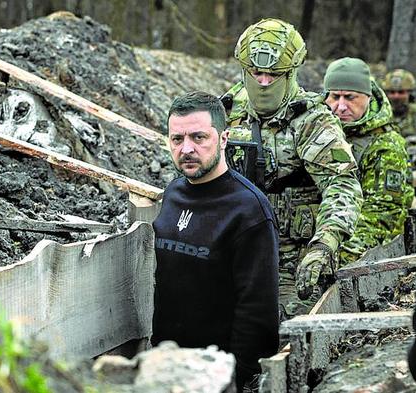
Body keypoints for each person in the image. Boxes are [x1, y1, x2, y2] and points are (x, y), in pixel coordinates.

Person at [223, 18, 363, 309]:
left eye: (272, 75)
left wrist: (324, 244)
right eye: (256, 73)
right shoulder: (227, 112)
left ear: (289, 74)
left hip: (293, 262)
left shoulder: (312, 121)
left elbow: (342, 185)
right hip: (234, 253)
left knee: (288, 333)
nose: (263, 82)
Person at [152, 91, 279, 392]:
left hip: (219, 377)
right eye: (177, 139)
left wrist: (237, 378)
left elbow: (258, 309)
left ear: (224, 139)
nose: (187, 149)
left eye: (199, 137)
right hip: (167, 368)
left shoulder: (248, 210)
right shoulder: (172, 194)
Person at [323, 58, 414, 264]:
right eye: (335, 97)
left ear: (368, 97)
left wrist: (338, 257)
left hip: (364, 251)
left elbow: (383, 214)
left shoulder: (386, 144)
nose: (341, 106)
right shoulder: (317, 133)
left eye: (350, 97)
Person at [382, 69, 416, 139]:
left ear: (410, 93)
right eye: (392, 92)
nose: (396, 96)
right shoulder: (380, 115)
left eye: (401, 92)